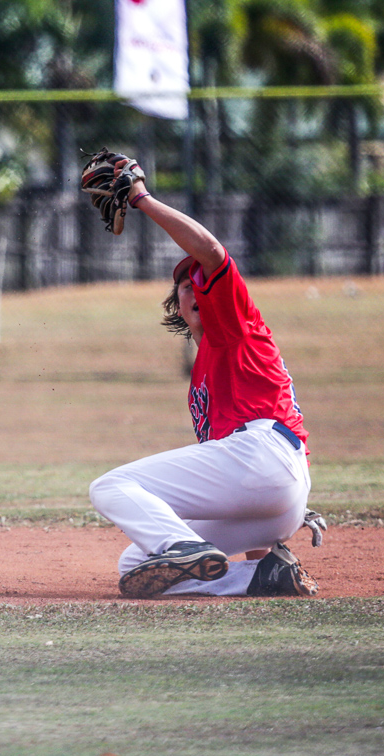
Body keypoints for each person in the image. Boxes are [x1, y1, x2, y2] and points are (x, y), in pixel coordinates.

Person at [87, 157, 321, 598]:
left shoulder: (236, 327)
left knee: (111, 486)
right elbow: (228, 482)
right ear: (176, 303)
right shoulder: (201, 379)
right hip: (274, 497)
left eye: (201, 281)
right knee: (137, 565)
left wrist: (140, 198)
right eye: (184, 283)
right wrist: (268, 530)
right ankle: (264, 578)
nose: (195, 286)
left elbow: (212, 253)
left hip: (267, 456)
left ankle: (184, 546)